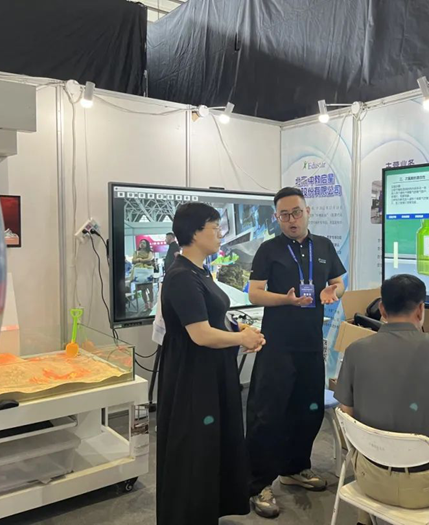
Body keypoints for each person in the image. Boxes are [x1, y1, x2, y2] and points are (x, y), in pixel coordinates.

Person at [334, 274, 429, 525]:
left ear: (381, 309)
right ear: (421, 309)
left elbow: (346, 412)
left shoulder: (356, 350)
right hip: (426, 490)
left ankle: (364, 520)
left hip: (369, 482)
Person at [156, 202, 266, 525]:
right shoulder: (181, 277)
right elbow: (200, 334)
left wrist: (238, 330)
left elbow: (213, 318)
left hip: (211, 372)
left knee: (212, 446)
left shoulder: (199, 271)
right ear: (194, 233)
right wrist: (241, 338)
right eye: (215, 228)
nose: (220, 234)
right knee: (196, 449)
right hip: (194, 378)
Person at [246, 186, 347, 518]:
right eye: (284, 215)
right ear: (277, 217)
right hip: (277, 344)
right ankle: (258, 483)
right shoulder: (269, 249)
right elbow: (255, 294)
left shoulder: (324, 246)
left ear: (308, 212)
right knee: (268, 413)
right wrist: (285, 300)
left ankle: (295, 468)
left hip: (310, 343)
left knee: (308, 409)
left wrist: (333, 291)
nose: (291, 219)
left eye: (297, 212)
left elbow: (339, 282)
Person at [132, 239, 156, 311]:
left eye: (144, 243)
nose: (142, 244)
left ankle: (151, 304)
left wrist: (139, 260)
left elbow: (149, 259)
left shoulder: (150, 252)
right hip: (139, 273)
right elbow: (133, 261)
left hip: (147, 272)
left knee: (150, 289)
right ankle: (146, 305)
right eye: (141, 242)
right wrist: (144, 260)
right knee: (143, 290)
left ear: (147, 244)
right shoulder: (136, 252)